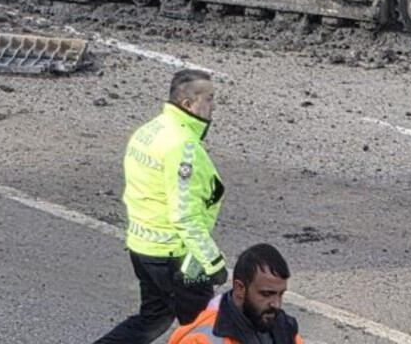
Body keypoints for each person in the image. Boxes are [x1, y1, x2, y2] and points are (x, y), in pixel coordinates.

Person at [93, 69, 227, 344]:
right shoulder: (183, 147)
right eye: (209, 98)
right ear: (189, 104)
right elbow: (185, 215)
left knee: (155, 318)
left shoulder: (150, 131)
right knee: (205, 329)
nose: (214, 106)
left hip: (143, 247)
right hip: (175, 257)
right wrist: (213, 262)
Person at [168, 244, 302, 344]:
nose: (276, 304)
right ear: (240, 289)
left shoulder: (284, 328)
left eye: (280, 294)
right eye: (266, 294)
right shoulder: (200, 340)